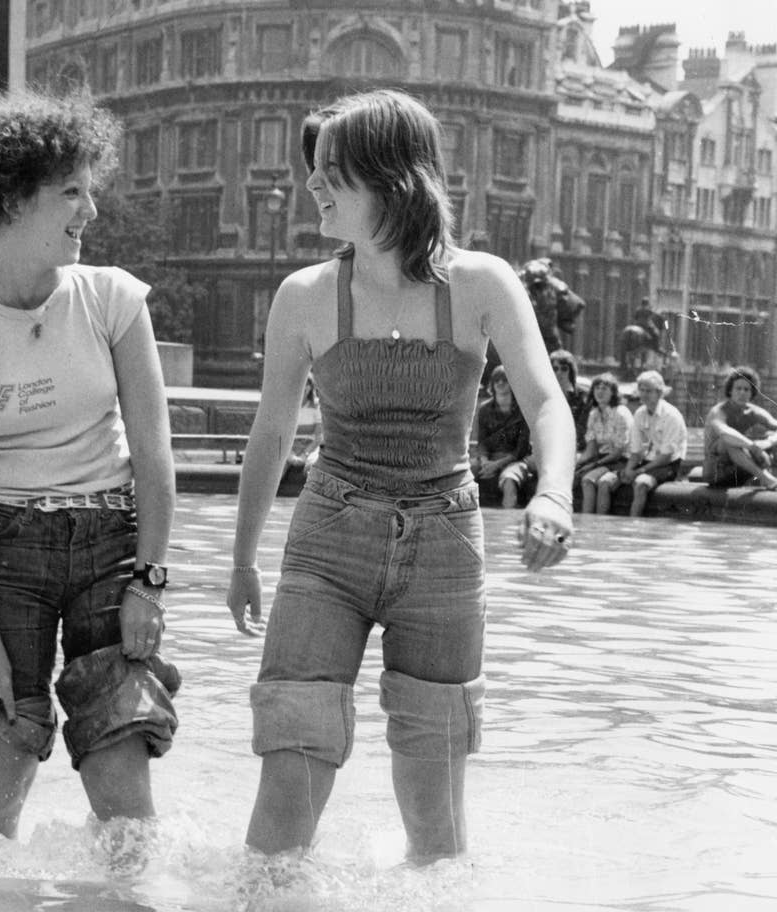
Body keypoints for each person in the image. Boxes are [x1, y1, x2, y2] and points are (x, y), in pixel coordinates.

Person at [226, 89, 574, 865]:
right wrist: (244, 558)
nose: (311, 186)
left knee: (435, 827)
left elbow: (546, 401)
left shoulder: (481, 284)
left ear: (391, 179)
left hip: (445, 550)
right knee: (286, 793)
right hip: (327, 545)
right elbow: (272, 433)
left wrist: (554, 492)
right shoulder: (306, 296)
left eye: (330, 173)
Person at [0, 92, 179, 843]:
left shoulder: (114, 300)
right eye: (72, 191)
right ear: (14, 198)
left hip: (111, 545)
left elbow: (156, 456)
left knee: (122, 784)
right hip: (2, 558)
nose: (90, 211)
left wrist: (149, 581)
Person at [595, 370, 688, 516]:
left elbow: (666, 457)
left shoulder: (671, 416)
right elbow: (636, 451)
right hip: (646, 461)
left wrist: (638, 472)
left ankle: (633, 525)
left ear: (659, 392)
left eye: (649, 391)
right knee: (605, 482)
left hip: (668, 465)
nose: (644, 394)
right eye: (642, 390)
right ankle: (599, 526)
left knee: (640, 484)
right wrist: (629, 470)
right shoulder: (640, 413)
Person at [700, 366, 777, 490]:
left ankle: (771, 480)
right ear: (730, 391)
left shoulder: (753, 412)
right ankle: (766, 478)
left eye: (746, 389)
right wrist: (753, 447)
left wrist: (768, 442)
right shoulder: (718, 412)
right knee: (729, 441)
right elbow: (725, 434)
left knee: (770, 436)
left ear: (752, 393)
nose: (742, 392)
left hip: (739, 469)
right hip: (715, 473)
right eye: (738, 388)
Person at [472, 365, 534, 508]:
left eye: (505, 380)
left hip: (514, 460)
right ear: (492, 384)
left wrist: (496, 465)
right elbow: (482, 442)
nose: (500, 383)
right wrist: (485, 461)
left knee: (509, 479)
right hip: (489, 459)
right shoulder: (484, 409)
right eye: (496, 380)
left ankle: (507, 521)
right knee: (465, 473)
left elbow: (521, 450)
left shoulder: (523, 409)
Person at [576, 372, 634, 513]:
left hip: (621, 461)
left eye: (604, 388)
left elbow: (618, 452)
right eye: (597, 388)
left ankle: (592, 521)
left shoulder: (621, 413)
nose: (599, 392)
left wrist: (594, 464)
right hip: (603, 461)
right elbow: (591, 449)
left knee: (589, 480)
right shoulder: (594, 414)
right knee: (577, 475)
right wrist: (575, 464)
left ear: (613, 393)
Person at [549, 349, 590, 452]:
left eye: (564, 369)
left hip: (575, 448)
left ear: (571, 370)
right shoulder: (544, 395)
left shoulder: (583, 396)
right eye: (555, 368)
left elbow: (581, 429)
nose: (559, 372)